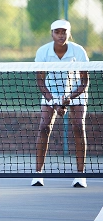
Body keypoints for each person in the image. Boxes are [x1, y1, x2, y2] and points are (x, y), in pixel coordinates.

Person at [31, 19, 89, 188]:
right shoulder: (43, 51)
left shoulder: (78, 51)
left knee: (78, 126)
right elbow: (40, 81)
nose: (61, 35)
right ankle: (38, 174)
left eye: (64, 32)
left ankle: (80, 175)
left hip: (76, 91)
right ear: (52, 33)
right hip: (51, 91)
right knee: (44, 128)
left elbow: (84, 81)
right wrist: (53, 101)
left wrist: (68, 98)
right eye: (57, 32)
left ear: (68, 34)